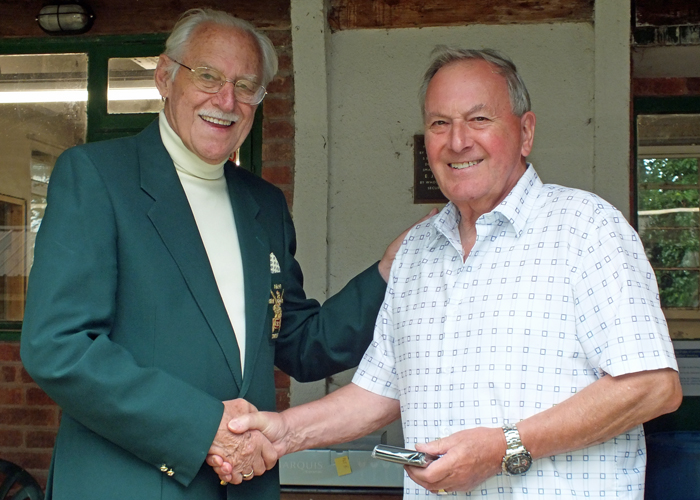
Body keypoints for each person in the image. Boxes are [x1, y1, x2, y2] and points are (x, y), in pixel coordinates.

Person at [212, 47, 683, 499]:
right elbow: (377, 392)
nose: (458, 141)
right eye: (440, 123)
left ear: (526, 132)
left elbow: (653, 387)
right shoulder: (418, 249)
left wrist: (504, 448)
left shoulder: (585, 227)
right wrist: (283, 433)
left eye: (479, 119)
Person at [19, 8, 418, 500]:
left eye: (246, 86)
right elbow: (58, 346)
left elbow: (298, 343)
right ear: (165, 77)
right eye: (208, 76)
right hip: (128, 485)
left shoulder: (263, 204)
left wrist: (387, 272)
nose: (226, 100)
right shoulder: (98, 177)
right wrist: (203, 425)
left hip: (245, 488)